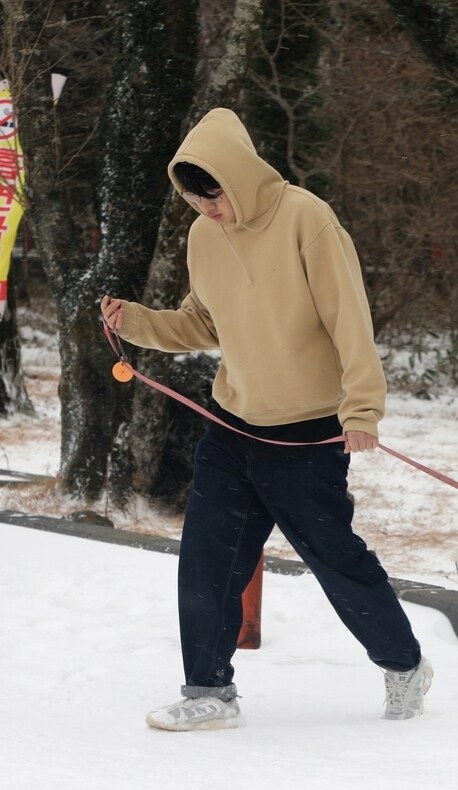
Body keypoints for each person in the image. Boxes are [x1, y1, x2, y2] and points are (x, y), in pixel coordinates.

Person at [99, 108, 431, 731]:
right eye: (194, 199)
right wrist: (138, 323)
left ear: (239, 174)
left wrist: (362, 407)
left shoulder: (308, 218)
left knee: (335, 558)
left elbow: (349, 320)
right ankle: (209, 691)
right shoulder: (204, 235)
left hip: (306, 432)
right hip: (232, 425)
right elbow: (203, 322)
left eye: (214, 194)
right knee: (207, 557)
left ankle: (404, 664)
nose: (208, 210)